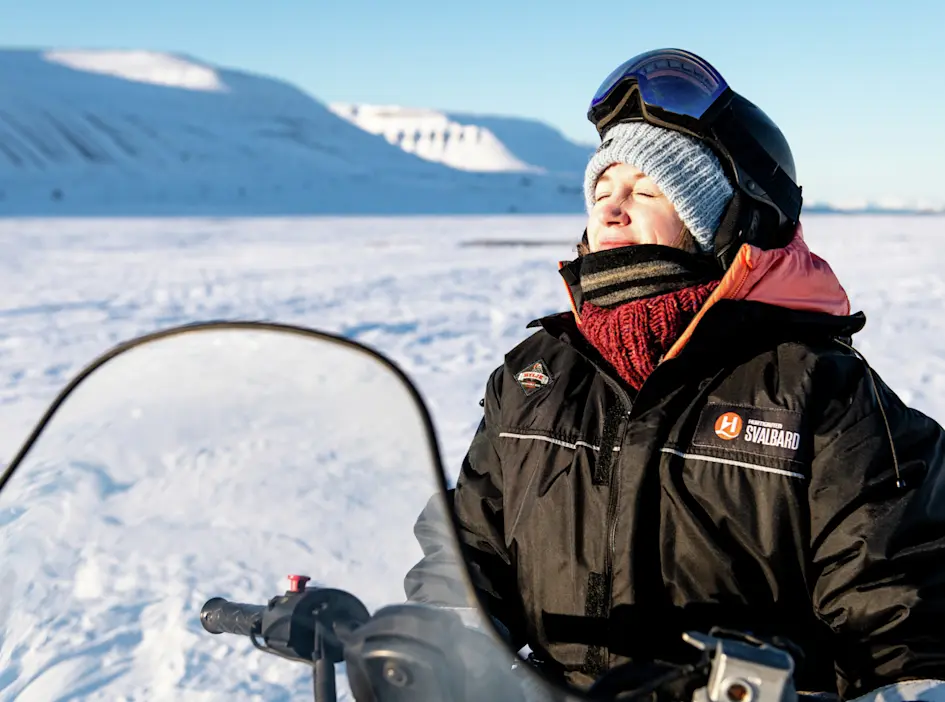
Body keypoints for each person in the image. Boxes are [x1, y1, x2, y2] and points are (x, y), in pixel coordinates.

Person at [404, 48, 945, 701]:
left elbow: (900, 613)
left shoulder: (818, 392)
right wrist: (445, 630)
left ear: (718, 219)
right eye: (600, 191)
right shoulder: (535, 377)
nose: (610, 208)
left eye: (645, 191)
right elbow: (472, 546)